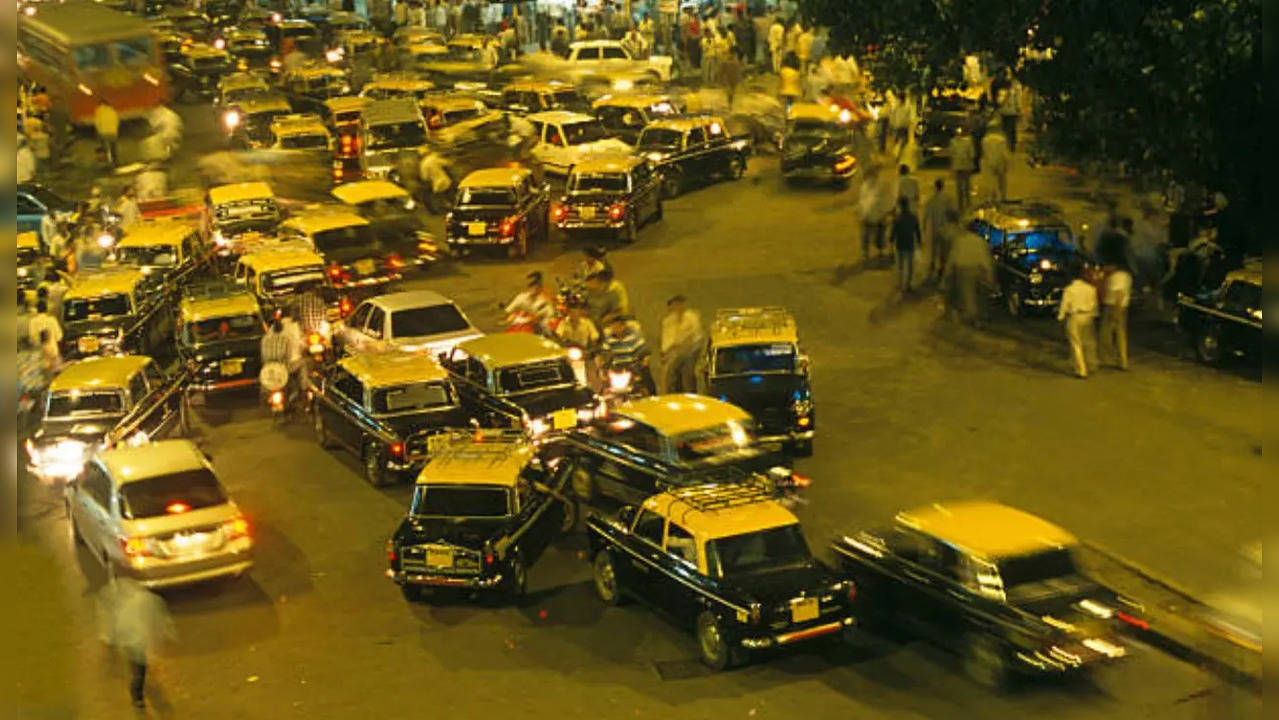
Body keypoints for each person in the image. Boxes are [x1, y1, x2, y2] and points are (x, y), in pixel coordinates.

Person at [98, 577, 174, 709]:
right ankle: (137, 696)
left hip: (132, 643)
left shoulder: (123, 605)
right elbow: (156, 619)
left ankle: (137, 694)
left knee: (137, 667)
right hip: (135, 643)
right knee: (139, 672)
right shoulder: (146, 601)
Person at [944, 214, 995, 326]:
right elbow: (985, 258)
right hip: (977, 269)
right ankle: (977, 317)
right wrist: (989, 275)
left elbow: (953, 256)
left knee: (967, 295)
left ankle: (971, 317)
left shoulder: (960, 240)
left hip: (963, 270)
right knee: (978, 295)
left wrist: (947, 273)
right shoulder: (980, 241)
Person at [1057, 265, 1100, 378]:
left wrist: (1060, 317)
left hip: (1075, 316)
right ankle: (1091, 363)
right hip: (1088, 316)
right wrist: (1095, 315)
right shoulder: (1091, 289)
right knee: (1088, 341)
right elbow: (1094, 304)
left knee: (1076, 343)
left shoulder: (1069, 289)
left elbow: (1064, 305)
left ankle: (1081, 369)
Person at [600, 314, 656, 395]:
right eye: (614, 327)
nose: (616, 329)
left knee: (646, 382)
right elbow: (604, 353)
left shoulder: (634, 337)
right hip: (617, 369)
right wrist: (603, 364)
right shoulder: (609, 340)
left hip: (634, 368)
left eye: (618, 327)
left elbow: (644, 352)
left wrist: (643, 361)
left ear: (624, 326)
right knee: (607, 389)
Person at [659, 295, 704, 394]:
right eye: (674, 305)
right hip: (674, 353)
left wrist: (681, 344)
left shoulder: (692, 318)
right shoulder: (668, 322)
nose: (677, 308)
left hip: (690, 351)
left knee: (688, 374)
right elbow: (666, 340)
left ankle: (690, 393)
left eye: (679, 304)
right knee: (668, 374)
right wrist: (665, 354)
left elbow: (696, 336)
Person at [858, 163, 895, 263]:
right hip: (876, 215)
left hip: (870, 215)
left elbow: (863, 200)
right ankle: (877, 252)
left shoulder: (868, 186)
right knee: (878, 234)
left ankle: (868, 253)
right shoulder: (879, 185)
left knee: (869, 235)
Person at [1099, 259, 1132, 370]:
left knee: (1105, 334)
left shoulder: (1117, 277)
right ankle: (1123, 361)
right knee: (1120, 334)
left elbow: (1119, 293)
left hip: (1113, 306)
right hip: (1122, 307)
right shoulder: (1127, 276)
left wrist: (1117, 309)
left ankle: (1108, 358)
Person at [923, 178, 954, 281]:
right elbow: (951, 212)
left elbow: (926, 214)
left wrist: (924, 226)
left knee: (933, 249)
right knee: (943, 249)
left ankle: (932, 267)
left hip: (934, 227)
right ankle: (941, 268)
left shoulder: (930, 199)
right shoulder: (948, 198)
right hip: (944, 227)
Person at [890, 197, 921, 291]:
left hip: (900, 244)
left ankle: (900, 284)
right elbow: (917, 230)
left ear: (900, 206)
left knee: (900, 266)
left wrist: (891, 241)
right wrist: (919, 241)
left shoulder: (897, 218)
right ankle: (908, 284)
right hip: (909, 244)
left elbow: (893, 233)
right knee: (910, 266)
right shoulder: (913, 217)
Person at [980, 121, 1010, 203]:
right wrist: (1007, 163)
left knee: (991, 180)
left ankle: (993, 196)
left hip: (989, 162)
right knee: (1002, 180)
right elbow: (1004, 153)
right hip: (1000, 162)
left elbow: (984, 152)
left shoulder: (985, 140)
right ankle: (1002, 196)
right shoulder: (1002, 139)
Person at [949, 126, 976, 213]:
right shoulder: (968, 142)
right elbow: (972, 154)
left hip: (957, 166)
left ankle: (960, 204)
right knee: (967, 185)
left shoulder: (953, 142)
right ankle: (967, 203)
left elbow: (951, 154)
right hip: (966, 166)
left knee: (959, 186)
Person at [997, 69, 1021, 152]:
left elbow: (999, 101)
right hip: (1011, 111)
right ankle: (1011, 145)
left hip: (1006, 111)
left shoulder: (1003, 87)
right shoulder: (1016, 86)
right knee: (1011, 129)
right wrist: (1018, 109)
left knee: (1007, 129)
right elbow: (1017, 99)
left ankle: (1009, 145)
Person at [94, 100, 120, 166]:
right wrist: (115, 129)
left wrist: (98, 131)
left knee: (104, 148)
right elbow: (117, 121)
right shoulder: (112, 110)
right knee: (113, 148)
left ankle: (105, 163)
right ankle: (115, 162)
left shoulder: (99, 111)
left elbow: (97, 122)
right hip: (113, 132)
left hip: (103, 132)